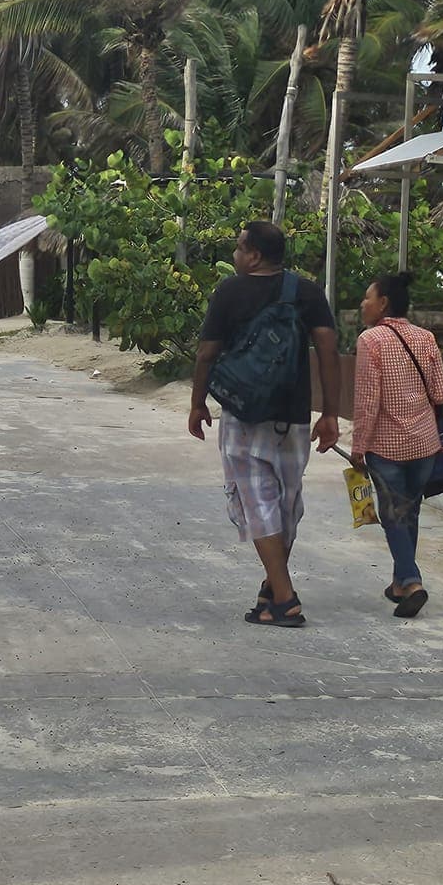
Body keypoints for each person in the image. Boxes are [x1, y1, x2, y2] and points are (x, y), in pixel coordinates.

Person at [189, 221, 340, 628]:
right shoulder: (307, 292)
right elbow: (328, 349)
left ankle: (286, 599)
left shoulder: (229, 291)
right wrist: (329, 412)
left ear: (254, 255)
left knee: (257, 503)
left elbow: (206, 353)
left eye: (239, 248)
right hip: (293, 419)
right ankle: (272, 590)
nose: (236, 255)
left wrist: (197, 403)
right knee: (285, 505)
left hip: (242, 415)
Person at [350, 271, 443, 618]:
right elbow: (441, 393)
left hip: (387, 446)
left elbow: (367, 400)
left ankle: (412, 580)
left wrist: (358, 446)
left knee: (393, 515)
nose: (363, 303)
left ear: (383, 304)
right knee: (410, 512)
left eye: (367, 297)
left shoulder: (370, 340)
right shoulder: (425, 338)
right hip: (425, 444)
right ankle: (398, 585)